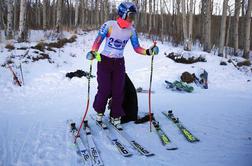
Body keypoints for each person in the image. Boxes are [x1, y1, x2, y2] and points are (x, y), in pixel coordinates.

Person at [86, 2, 159, 130]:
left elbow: (136, 47)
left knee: (118, 90)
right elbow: (98, 41)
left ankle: (116, 117)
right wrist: (93, 52)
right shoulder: (109, 25)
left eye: (134, 15)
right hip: (104, 61)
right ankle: (99, 114)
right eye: (130, 15)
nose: (132, 18)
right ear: (123, 13)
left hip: (119, 63)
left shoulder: (131, 30)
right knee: (104, 90)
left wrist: (148, 51)